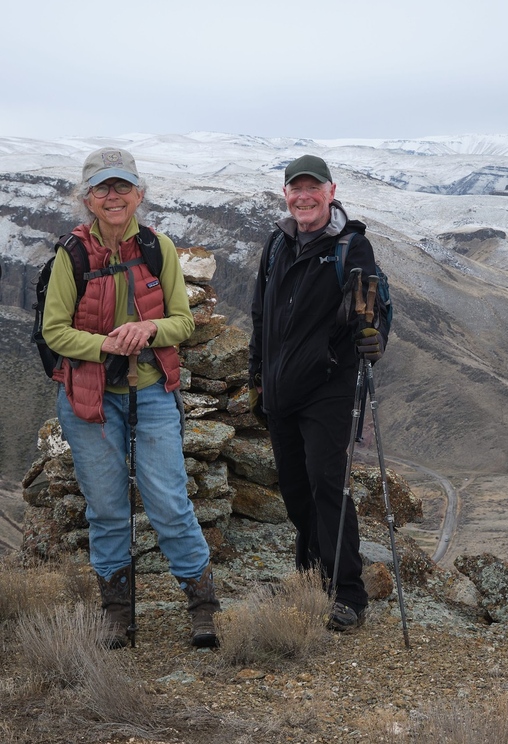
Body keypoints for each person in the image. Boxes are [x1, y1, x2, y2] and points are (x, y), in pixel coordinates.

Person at [42, 147, 220, 649]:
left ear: (139, 193)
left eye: (122, 186)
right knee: (105, 507)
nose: (113, 196)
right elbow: (54, 331)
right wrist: (106, 344)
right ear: (88, 199)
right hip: (88, 399)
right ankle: (118, 614)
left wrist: (148, 328)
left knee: (168, 500)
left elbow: (183, 322)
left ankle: (202, 607)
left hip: (150, 394)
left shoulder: (157, 247)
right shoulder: (71, 255)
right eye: (103, 188)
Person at [248, 154, 385, 631]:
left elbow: (377, 304)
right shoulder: (276, 244)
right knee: (294, 491)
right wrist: (256, 375)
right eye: (295, 188)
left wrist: (376, 337)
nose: (303, 197)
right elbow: (261, 316)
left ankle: (348, 593)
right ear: (285, 194)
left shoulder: (352, 246)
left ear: (331, 191)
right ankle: (311, 577)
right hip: (280, 390)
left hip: (328, 388)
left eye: (313, 188)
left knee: (327, 487)